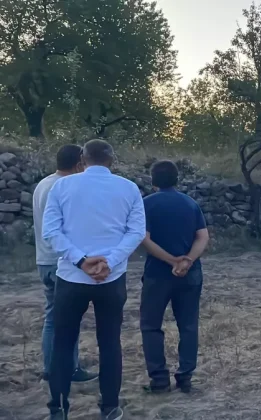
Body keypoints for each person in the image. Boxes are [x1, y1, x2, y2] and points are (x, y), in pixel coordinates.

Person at [42, 139, 146, 420]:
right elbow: (136, 233)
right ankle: (110, 407)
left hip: (71, 277)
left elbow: (51, 232)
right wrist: (109, 262)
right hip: (111, 279)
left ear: (82, 159)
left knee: (62, 343)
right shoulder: (129, 188)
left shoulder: (61, 187)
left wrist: (80, 259)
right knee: (110, 342)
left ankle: (59, 409)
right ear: (112, 159)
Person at [140, 160, 209, 394]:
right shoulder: (190, 204)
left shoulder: (146, 204)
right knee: (188, 325)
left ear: (153, 180)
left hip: (157, 275)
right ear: (177, 179)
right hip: (190, 274)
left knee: (151, 326)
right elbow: (202, 236)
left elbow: (144, 239)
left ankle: (159, 379)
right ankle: (185, 377)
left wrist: (171, 261)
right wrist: (188, 260)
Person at [33, 144, 98, 384]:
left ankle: (55, 367)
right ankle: (65, 370)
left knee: (54, 316)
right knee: (65, 319)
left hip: (45, 259)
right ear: (79, 163)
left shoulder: (43, 184)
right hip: (61, 261)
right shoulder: (62, 187)